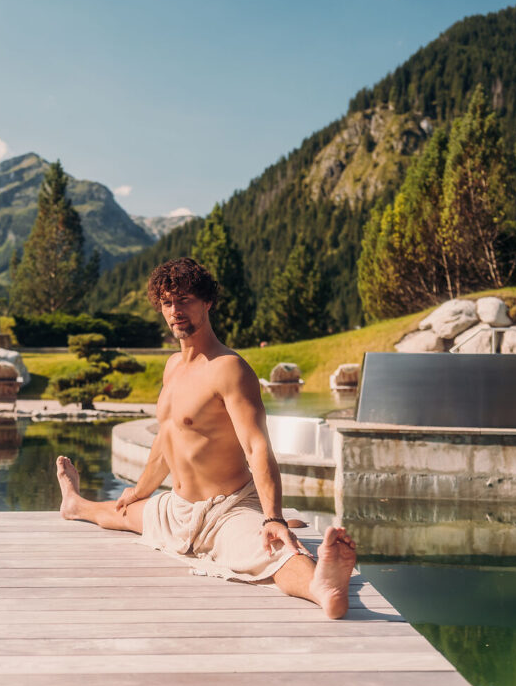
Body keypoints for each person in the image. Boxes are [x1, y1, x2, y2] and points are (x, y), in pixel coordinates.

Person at [56, 257, 357, 619]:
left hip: (225, 510)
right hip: (177, 508)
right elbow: (168, 441)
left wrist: (273, 516)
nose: (175, 310)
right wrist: (139, 491)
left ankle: (321, 588)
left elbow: (256, 447)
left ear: (207, 302)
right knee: (118, 511)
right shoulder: (172, 367)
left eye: (185, 300)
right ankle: (73, 503)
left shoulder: (228, 368)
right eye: (167, 302)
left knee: (273, 550)